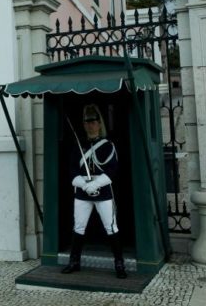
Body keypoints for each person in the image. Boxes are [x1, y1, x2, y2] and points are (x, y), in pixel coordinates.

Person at [61, 103, 127, 279]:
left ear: (99, 123)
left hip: (103, 192)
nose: (90, 125)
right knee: (79, 226)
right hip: (82, 192)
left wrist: (96, 184)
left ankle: (119, 263)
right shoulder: (79, 145)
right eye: (87, 122)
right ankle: (74, 261)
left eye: (93, 121)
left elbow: (112, 169)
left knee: (111, 226)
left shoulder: (108, 145)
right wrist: (84, 185)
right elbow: (72, 170)